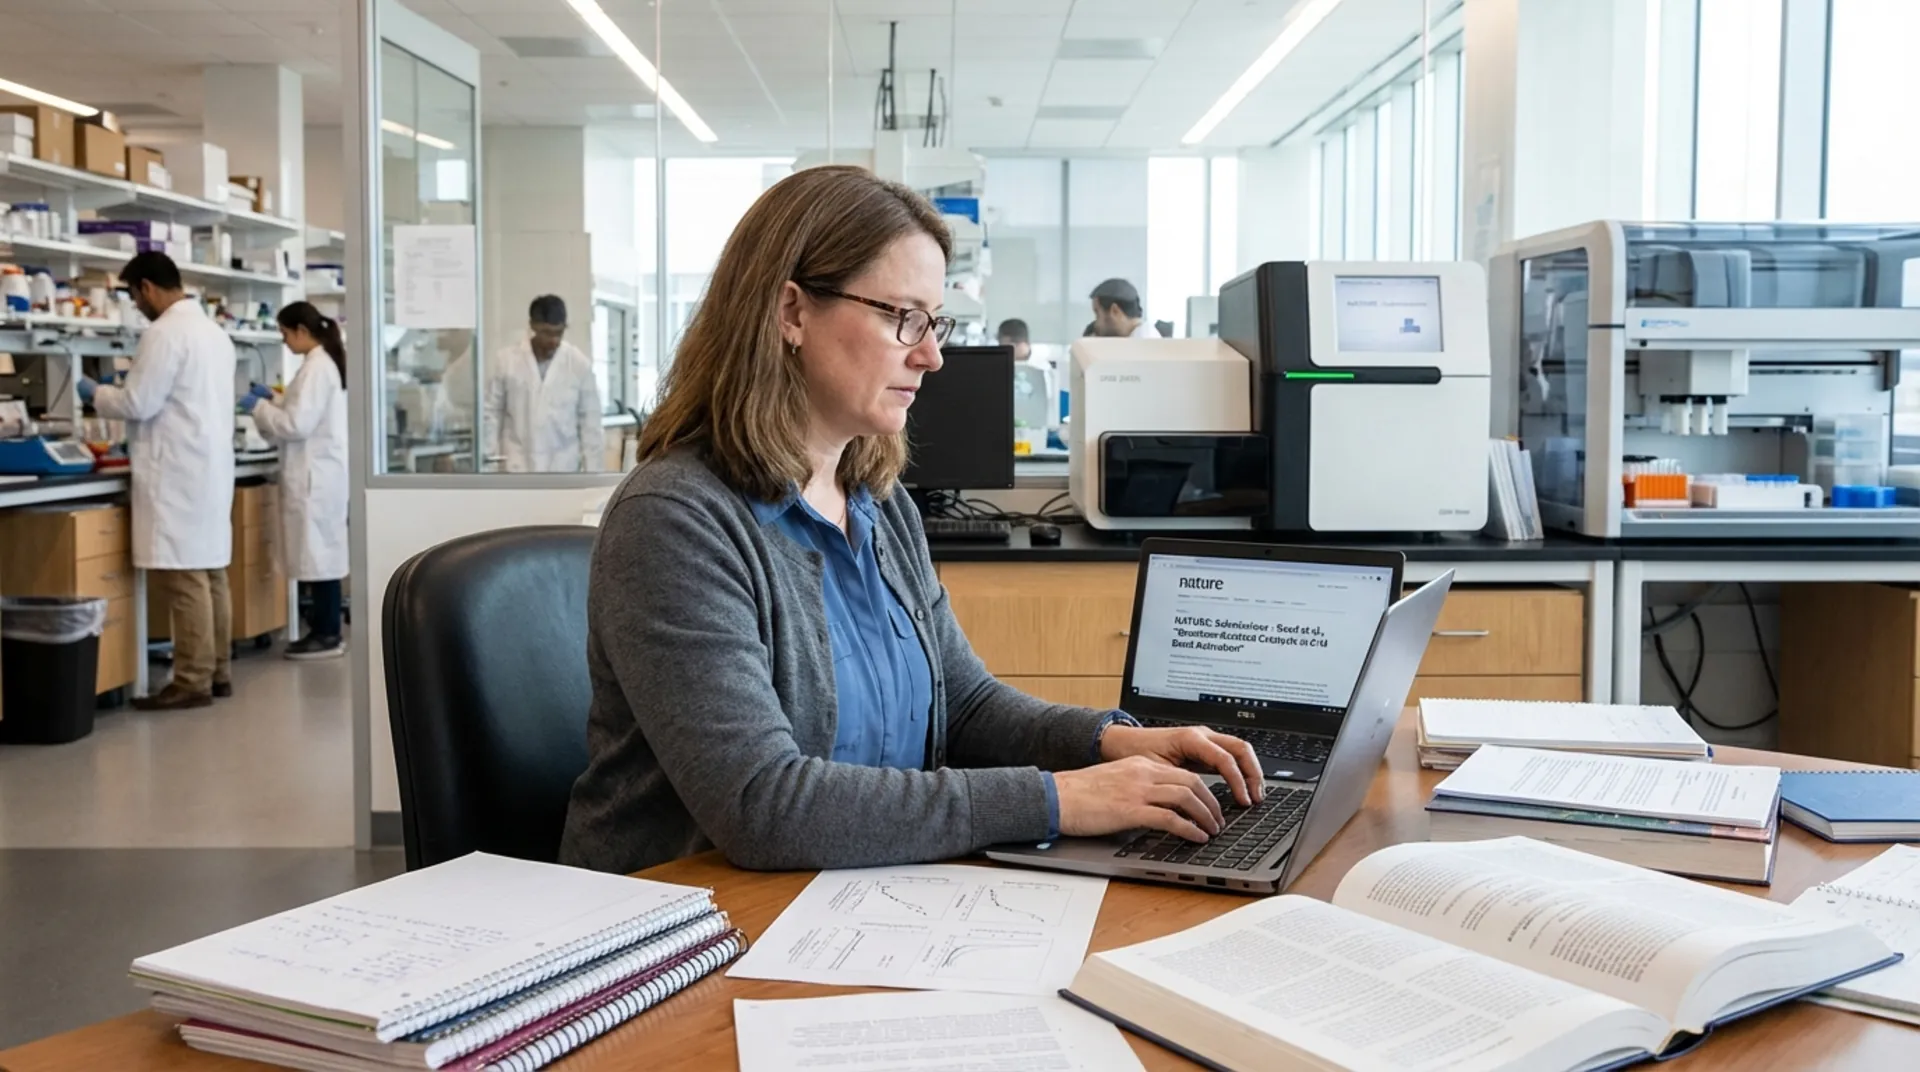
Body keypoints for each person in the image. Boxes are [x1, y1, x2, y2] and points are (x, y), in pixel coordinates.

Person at [560, 165, 1263, 875]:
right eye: (905, 318)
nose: (932, 355)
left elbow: (962, 705)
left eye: (936, 322)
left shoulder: (877, 497)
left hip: (849, 899)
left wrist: (1110, 743)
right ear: (792, 312)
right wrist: (1059, 800)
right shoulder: (676, 521)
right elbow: (763, 806)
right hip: (683, 925)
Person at [82, 252, 236, 710]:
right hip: (205, 468)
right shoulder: (212, 331)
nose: (137, 305)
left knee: (187, 577)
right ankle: (218, 671)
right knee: (210, 574)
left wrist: (98, 394)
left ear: (147, 288)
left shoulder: (165, 332)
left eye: (133, 296)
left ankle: (192, 681)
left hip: (178, 472)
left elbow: (139, 403)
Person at [242, 302, 349, 660]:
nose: (284, 341)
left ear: (302, 331)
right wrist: (273, 398)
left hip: (314, 478)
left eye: (286, 334)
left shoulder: (317, 368)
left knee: (319, 558)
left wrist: (257, 408)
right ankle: (324, 631)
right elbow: (300, 412)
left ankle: (326, 634)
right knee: (319, 555)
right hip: (319, 475)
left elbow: (296, 425)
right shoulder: (318, 365)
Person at [484, 295, 605, 473]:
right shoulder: (507, 361)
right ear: (532, 326)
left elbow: (591, 425)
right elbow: (491, 414)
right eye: (547, 333)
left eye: (559, 333)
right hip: (517, 467)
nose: (554, 341)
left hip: (563, 469)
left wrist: (593, 475)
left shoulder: (579, 365)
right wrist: (487, 464)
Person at [1089, 278, 1156, 338]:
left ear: (1115, 311)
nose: (1095, 325)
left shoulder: (1140, 345)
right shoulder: (1143, 337)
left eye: (1097, 314)